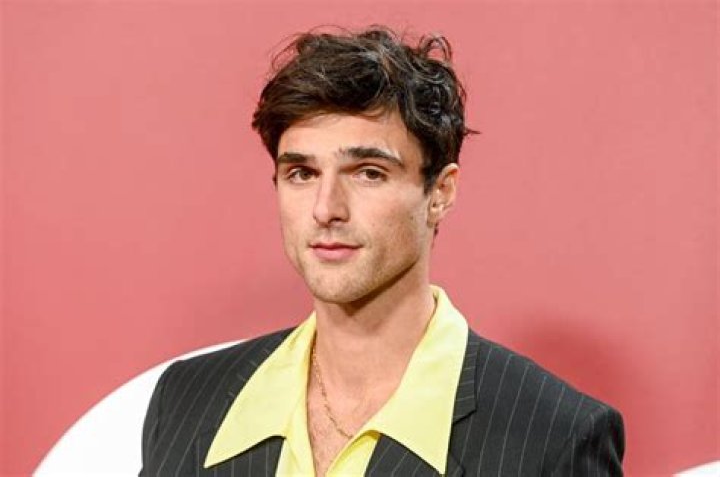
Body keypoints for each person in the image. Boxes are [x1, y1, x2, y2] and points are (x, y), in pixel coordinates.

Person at [139, 26, 624, 476]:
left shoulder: (553, 437)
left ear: (440, 193)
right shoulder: (186, 400)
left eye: (369, 173)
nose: (326, 208)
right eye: (302, 174)